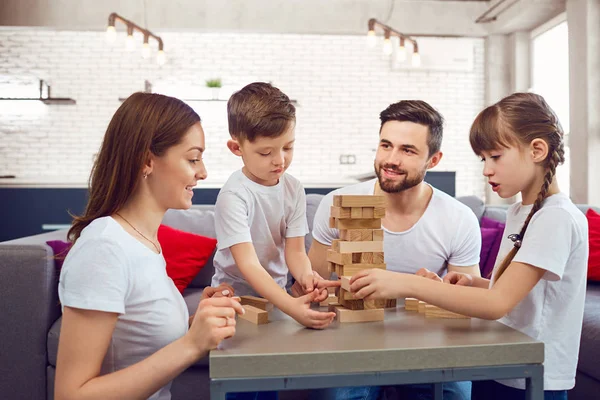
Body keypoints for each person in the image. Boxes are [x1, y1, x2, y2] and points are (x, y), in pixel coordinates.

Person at [349, 92, 588, 400]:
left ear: (537, 150)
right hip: (504, 363)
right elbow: (527, 295)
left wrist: (404, 283)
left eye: (496, 157)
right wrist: (474, 283)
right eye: (483, 159)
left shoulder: (555, 217)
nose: (486, 170)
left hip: (533, 376)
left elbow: (498, 304)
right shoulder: (524, 212)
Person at [55, 92, 244, 400]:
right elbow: (71, 395)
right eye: (193, 158)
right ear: (147, 160)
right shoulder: (104, 248)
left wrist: (197, 323)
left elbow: (135, 342)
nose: (203, 172)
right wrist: (191, 344)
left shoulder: (144, 243)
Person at [308, 100, 481, 400]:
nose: (391, 159)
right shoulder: (337, 204)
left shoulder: (458, 218)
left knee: (455, 393)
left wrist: (436, 289)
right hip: (354, 340)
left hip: (428, 341)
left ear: (434, 159)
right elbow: (311, 287)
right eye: (385, 145)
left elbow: (466, 299)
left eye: (408, 150)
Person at [211, 82, 337, 330]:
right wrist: (291, 306)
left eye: (288, 147)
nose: (280, 160)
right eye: (266, 152)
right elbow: (248, 265)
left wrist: (307, 277)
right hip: (233, 298)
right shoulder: (234, 195)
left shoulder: (293, 189)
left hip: (277, 294)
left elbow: (296, 252)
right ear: (237, 148)